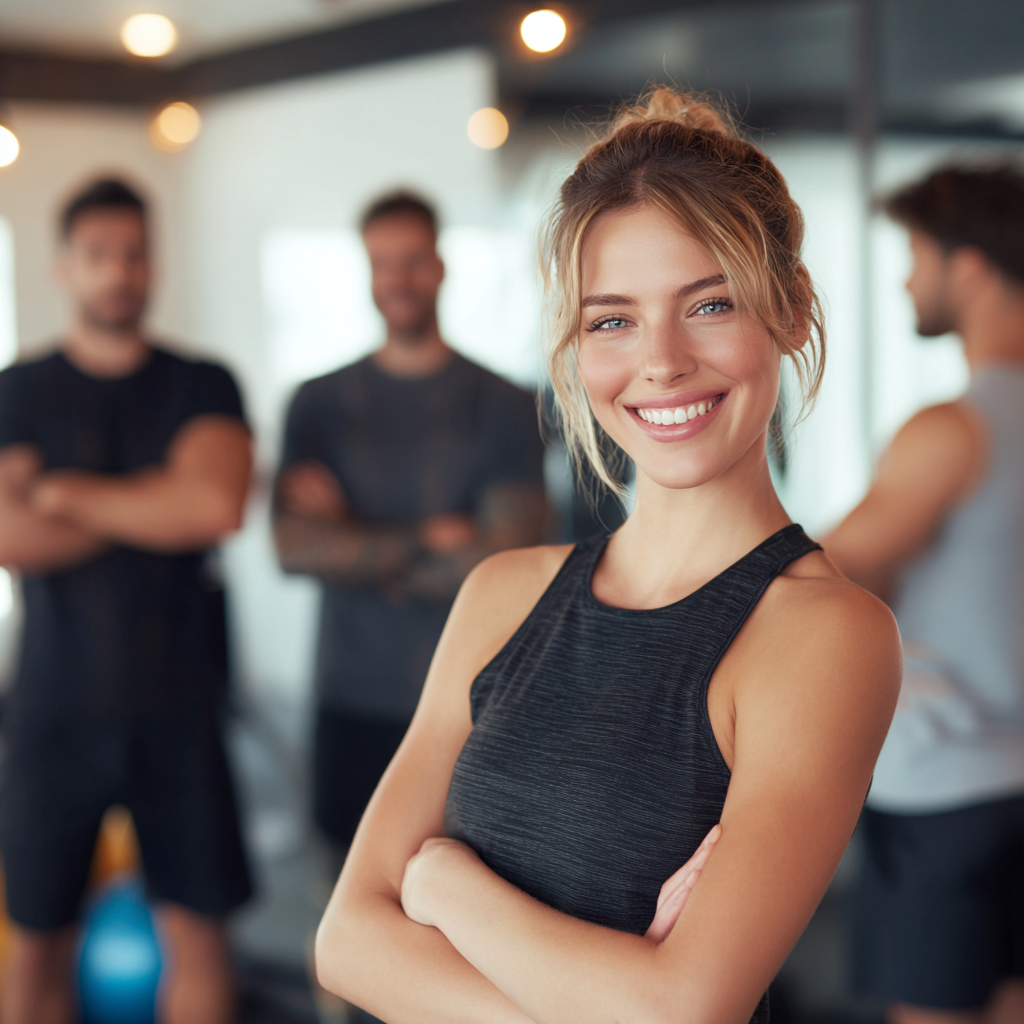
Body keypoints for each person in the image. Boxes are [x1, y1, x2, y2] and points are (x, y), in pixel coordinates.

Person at [313, 88, 901, 1024]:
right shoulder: (503, 592)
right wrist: (600, 997)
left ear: (791, 311)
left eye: (709, 304)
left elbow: (682, 1011)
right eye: (612, 320)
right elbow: (345, 943)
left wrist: (442, 887)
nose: (660, 362)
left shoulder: (826, 636)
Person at [0, 178, 253, 1024]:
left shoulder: (202, 382)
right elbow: (7, 537)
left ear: (154, 262)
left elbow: (212, 507)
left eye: (135, 253)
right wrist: (153, 501)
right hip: (50, 711)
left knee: (201, 940)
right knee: (34, 942)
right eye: (100, 255)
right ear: (64, 267)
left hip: (178, 706)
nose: (120, 271)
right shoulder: (17, 391)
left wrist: (63, 492)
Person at [273, 191, 548, 859]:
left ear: (441, 267)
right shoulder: (318, 405)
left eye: (412, 260)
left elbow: (507, 561)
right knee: (346, 903)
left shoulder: (505, 404)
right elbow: (293, 548)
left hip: (474, 703)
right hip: (352, 695)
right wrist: (428, 539)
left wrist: (355, 542)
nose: (397, 278)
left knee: (465, 905)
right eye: (381, 263)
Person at [824, 165, 1024, 1024]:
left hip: (948, 796)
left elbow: (823, 575)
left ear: (969, 266)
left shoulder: (954, 428)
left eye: (915, 253)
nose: (906, 277)